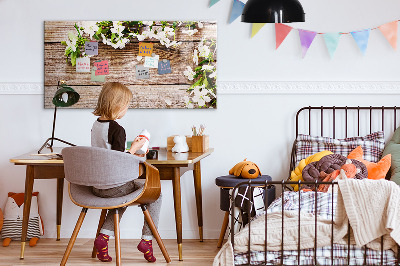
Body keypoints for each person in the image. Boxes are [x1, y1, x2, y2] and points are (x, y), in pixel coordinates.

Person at [91, 82, 161, 263]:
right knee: (156, 194)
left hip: (97, 186)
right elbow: (119, 161)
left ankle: (103, 238)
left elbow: (108, 154)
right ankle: (147, 240)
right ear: (117, 105)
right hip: (114, 186)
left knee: (121, 197)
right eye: (126, 105)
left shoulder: (96, 125)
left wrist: (131, 149)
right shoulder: (117, 129)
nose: (126, 109)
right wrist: (136, 148)